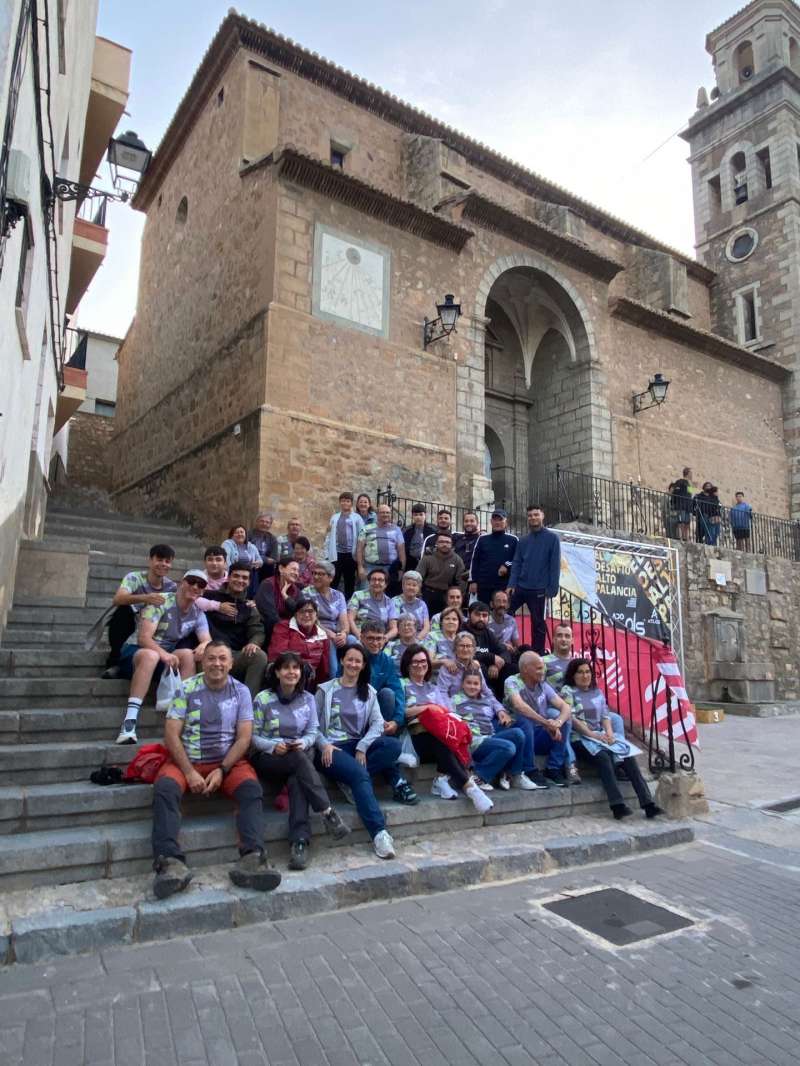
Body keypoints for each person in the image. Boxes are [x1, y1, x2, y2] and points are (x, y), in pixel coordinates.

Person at [151, 640, 281, 898]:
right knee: (165, 789)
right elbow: (171, 734)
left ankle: (252, 858)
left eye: (223, 658)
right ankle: (169, 862)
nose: (217, 664)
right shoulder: (186, 688)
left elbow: (244, 738)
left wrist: (222, 769)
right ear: (203, 661)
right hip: (187, 760)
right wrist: (189, 771)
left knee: (251, 790)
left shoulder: (241, 692)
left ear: (231, 664)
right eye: (211, 658)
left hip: (227, 761)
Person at [251, 651, 350, 870]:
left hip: (298, 756)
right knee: (299, 761)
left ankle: (300, 843)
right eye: (286, 668)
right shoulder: (263, 699)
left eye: (295, 668)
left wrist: (304, 742)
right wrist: (272, 746)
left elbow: (313, 731)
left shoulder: (307, 698)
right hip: (268, 758)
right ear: (277, 672)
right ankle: (327, 811)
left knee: (298, 778)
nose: (291, 672)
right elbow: (253, 736)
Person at [316, 645, 409, 859]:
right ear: (342, 661)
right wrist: (323, 744)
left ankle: (348, 780)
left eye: (358, 661)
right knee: (360, 775)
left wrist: (362, 746)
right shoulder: (325, 690)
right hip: (331, 748)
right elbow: (311, 725)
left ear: (364, 665)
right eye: (349, 659)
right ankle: (379, 833)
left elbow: (377, 723)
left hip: (356, 744)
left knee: (393, 746)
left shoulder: (369, 691)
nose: (353, 664)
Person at [116, 569, 211, 745]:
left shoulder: (198, 612)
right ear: (181, 583)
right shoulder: (161, 601)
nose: (195, 587)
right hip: (136, 652)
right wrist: (164, 654)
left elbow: (207, 639)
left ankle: (182, 718)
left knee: (187, 655)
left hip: (163, 659)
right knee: (151, 655)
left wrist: (204, 645)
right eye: (191, 581)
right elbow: (144, 638)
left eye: (201, 584)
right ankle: (129, 722)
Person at [562, 658, 662, 820]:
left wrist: (609, 733)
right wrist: (593, 735)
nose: (585, 676)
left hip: (600, 736)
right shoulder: (568, 691)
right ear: (573, 675)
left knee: (627, 756)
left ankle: (648, 804)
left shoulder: (596, 691)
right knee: (604, 758)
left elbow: (605, 715)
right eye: (580, 672)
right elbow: (572, 719)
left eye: (587, 672)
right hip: (580, 738)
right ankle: (617, 805)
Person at [399, 644, 493, 813]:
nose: (420, 665)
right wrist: (427, 708)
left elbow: (445, 712)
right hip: (414, 737)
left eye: (423, 661)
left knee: (450, 734)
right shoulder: (401, 684)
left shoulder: (433, 687)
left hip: (436, 738)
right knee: (441, 739)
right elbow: (401, 713)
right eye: (415, 662)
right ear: (407, 664)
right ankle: (469, 786)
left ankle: (443, 779)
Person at [103, 543, 176, 679]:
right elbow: (118, 599)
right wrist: (146, 598)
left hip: (155, 626)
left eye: (167, 561)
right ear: (150, 560)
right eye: (159, 560)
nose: (163, 564)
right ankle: (115, 660)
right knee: (123, 610)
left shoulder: (172, 587)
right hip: (131, 622)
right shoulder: (134, 577)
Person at [453, 668, 533, 790]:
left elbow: (498, 706)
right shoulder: (454, 699)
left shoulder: (487, 699)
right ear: (462, 684)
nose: (472, 686)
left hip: (489, 737)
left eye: (476, 683)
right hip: (473, 741)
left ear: (481, 686)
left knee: (518, 734)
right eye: (468, 683)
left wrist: (502, 712)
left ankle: (513, 775)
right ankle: (478, 776)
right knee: (508, 747)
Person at [504, 651, 573, 788]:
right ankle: (529, 769)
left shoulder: (543, 684)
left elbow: (565, 707)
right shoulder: (512, 681)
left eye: (543, 668)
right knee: (525, 720)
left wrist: (557, 722)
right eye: (539, 668)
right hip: (519, 735)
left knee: (565, 720)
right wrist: (546, 723)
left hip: (538, 735)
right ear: (525, 669)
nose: (543, 671)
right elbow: (519, 706)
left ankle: (553, 768)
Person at [199, 562, 268, 698]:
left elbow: (257, 631)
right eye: (236, 576)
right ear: (228, 577)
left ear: (249, 582)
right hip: (208, 649)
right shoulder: (209, 596)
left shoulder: (249, 607)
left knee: (259, 656)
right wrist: (217, 606)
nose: (240, 580)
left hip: (234, 655)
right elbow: (190, 600)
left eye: (244, 578)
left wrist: (254, 642)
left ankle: (247, 702)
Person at [507, 505, 560, 655]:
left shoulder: (552, 538)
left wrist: (552, 589)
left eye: (536, 514)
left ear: (542, 516)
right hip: (520, 586)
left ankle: (537, 655)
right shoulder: (523, 540)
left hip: (539, 589)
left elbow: (555, 565)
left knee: (538, 624)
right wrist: (511, 584)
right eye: (530, 515)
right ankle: (504, 646)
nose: (533, 517)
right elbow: (517, 563)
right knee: (504, 613)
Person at [268, 599, 330, 691]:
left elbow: (323, 669)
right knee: (304, 668)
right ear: (296, 615)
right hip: (283, 671)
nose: (306, 615)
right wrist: (300, 664)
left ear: (316, 615)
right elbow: (278, 654)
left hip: (309, 679)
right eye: (302, 612)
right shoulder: (284, 626)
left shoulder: (322, 636)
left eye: (310, 611)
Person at [358, 621, 406, 734]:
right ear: (362, 638)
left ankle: (382, 733)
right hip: (355, 707)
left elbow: (397, 690)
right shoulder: (353, 657)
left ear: (384, 639)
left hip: (376, 710)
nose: (375, 643)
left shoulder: (387, 661)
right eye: (370, 638)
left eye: (379, 638)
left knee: (388, 693)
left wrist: (396, 720)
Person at [304, 561, 348, 676]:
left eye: (320, 574)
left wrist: (344, 633)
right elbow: (311, 619)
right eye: (314, 573)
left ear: (330, 578)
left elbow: (344, 619)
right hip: (318, 631)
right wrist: (329, 633)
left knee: (354, 641)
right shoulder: (307, 593)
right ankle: (334, 678)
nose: (316, 577)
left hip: (337, 633)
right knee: (330, 643)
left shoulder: (338, 595)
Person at [468, 509, 518, 605]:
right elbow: (475, 561)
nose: (497, 522)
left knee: (503, 612)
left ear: (506, 522)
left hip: (504, 586)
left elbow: (518, 560)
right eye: (495, 520)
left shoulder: (513, 540)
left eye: (500, 519)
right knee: (483, 612)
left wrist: (506, 565)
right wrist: (473, 581)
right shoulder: (482, 539)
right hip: (483, 586)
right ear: (491, 522)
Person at [356, 503, 406, 593]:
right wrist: (360, 567)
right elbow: (359, 549)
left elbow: (401, 551)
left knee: (388, 595)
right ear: (377, 514)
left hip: (390, 569)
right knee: (366, 594)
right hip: (370, 568)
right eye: (382, 512)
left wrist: (401, 570)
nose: (385, 514)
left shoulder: (396, 530)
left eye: (387, 512)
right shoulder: (366, 528)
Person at [324, 492, 365, 600]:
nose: (345, 503)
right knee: (334, 580)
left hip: (351, 555)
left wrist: (361, 554)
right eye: (343, 501)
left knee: (349, 581)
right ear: (340, 502)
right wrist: (327, 554)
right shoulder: (334, 517)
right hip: (337, 554)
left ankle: (348, 604)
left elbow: (362, 535)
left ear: (351, 503)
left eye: (347, 501)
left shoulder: (357, 518)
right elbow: (329, 536)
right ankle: (330, 602)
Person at [436, 631, 498, 702]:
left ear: (474, 649)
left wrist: (498, 707)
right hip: (454, 706)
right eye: (461, 646)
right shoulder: (447, 668)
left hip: (476, 705)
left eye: (468, 646)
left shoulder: (476, 666)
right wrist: (450, 708)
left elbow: (486, 691)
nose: (465, 649)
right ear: (455, 649)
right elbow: (441, 693)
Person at [463, 601, 509, 694]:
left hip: (491, 671)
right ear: (469, 615)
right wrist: (491, 657)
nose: (481, 618)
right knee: (481, 667)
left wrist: (496, 665)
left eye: (484, 615)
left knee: (510, 668)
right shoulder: (462, 632)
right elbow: (466, 656)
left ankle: (506, 698)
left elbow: (504, 652)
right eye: (477, 615)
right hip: (470, 670)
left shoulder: (488, 633)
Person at [417, 533, 465, 616]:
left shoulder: (457, 560)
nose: (444, 544)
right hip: (428, 594)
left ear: (451, 544)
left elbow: (461, 580)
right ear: (436, 543)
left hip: (446, 596)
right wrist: (418, 593)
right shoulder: (427, 558)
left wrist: (457, 596)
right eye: (441, 542)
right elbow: (418, 577)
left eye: (447, 542)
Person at [255, 556, 301, 643]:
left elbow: (299, 612)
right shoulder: (268, 584)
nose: (296, 573)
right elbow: (270, 616)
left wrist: (286, 597)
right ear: (281, 569)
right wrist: (287, 630)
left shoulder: (296, 590)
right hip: (269, 631)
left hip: (291, 631)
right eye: (293, 569)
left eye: (298, 571)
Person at [347, 568, 399, 642]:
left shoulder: (389, 602)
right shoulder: (358, 595)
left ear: (386, 584)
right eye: (373, 579)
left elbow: (394, 628)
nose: (376, 582)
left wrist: (384, 638)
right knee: (351, 640)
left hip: (379, 638)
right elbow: (350, 619)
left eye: (380, 580)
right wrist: (360, 637)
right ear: (369, 582)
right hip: (359, 636)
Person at [391, 570, 430, 638]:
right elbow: (394, 627)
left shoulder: (422, 604)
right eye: (408, 584)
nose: (411, 587)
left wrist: (418, 639)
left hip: (419, 638)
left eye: (414, 585)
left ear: (419, 588)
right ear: (403, 586)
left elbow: (426, 627)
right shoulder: (394, 602)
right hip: (400, 638)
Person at [452, 511, 481, 592]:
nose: (469, 523)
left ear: (477, 523)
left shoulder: (482, 539)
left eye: (472, 521)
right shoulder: (456, 538)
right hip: (456, 579)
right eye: (466, 521)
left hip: (474, 581)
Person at [402, 503, 436, 572]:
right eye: (416, 515)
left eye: (421, 514)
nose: (418, 517)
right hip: (411, 563)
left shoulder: (433, 530)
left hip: (428, 564)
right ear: (412, 516)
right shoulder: (407, 531)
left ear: (425, 515)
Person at [429, 606, 463, 673]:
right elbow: (429, 661)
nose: (451, 622)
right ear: (441, 622)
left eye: (454, 619)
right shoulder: (432, 636)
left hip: (458, 675)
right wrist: (444, 661)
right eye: (447, 619)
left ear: (459, 623)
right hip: (437, 676)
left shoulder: (461, 638)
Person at [488, 589, 519, 654]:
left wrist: (513, 650)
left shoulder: (511, 621)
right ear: (491, 604)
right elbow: (482, 647)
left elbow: (516, 646)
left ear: (508, 605)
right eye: (498, 601)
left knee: (526, 648)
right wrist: (502, 646)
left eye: (504, 601)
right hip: (490, 654)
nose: (502, 604)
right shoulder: (485, 620)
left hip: (507, 654)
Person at [249, 513, 278, 582]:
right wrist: (265, 559)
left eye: (267, 522)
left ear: (270, 525)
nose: (264, 524)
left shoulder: (272, 539)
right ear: (257, 522)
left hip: (265, 568)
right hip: (250, 564)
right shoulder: (249, 535)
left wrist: (260, 559)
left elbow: (274, 559)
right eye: (262, 521)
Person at [670, 469, 694, 542]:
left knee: (687, 523)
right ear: (688, 473)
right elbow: (673, 491)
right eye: (691, 473)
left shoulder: (689, 483)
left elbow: (690, 495)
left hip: (687, 507)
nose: (692, 474)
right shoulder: (680, 481)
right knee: (680, 522)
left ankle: (685, 538)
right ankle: (679, 538)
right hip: (681, 505)